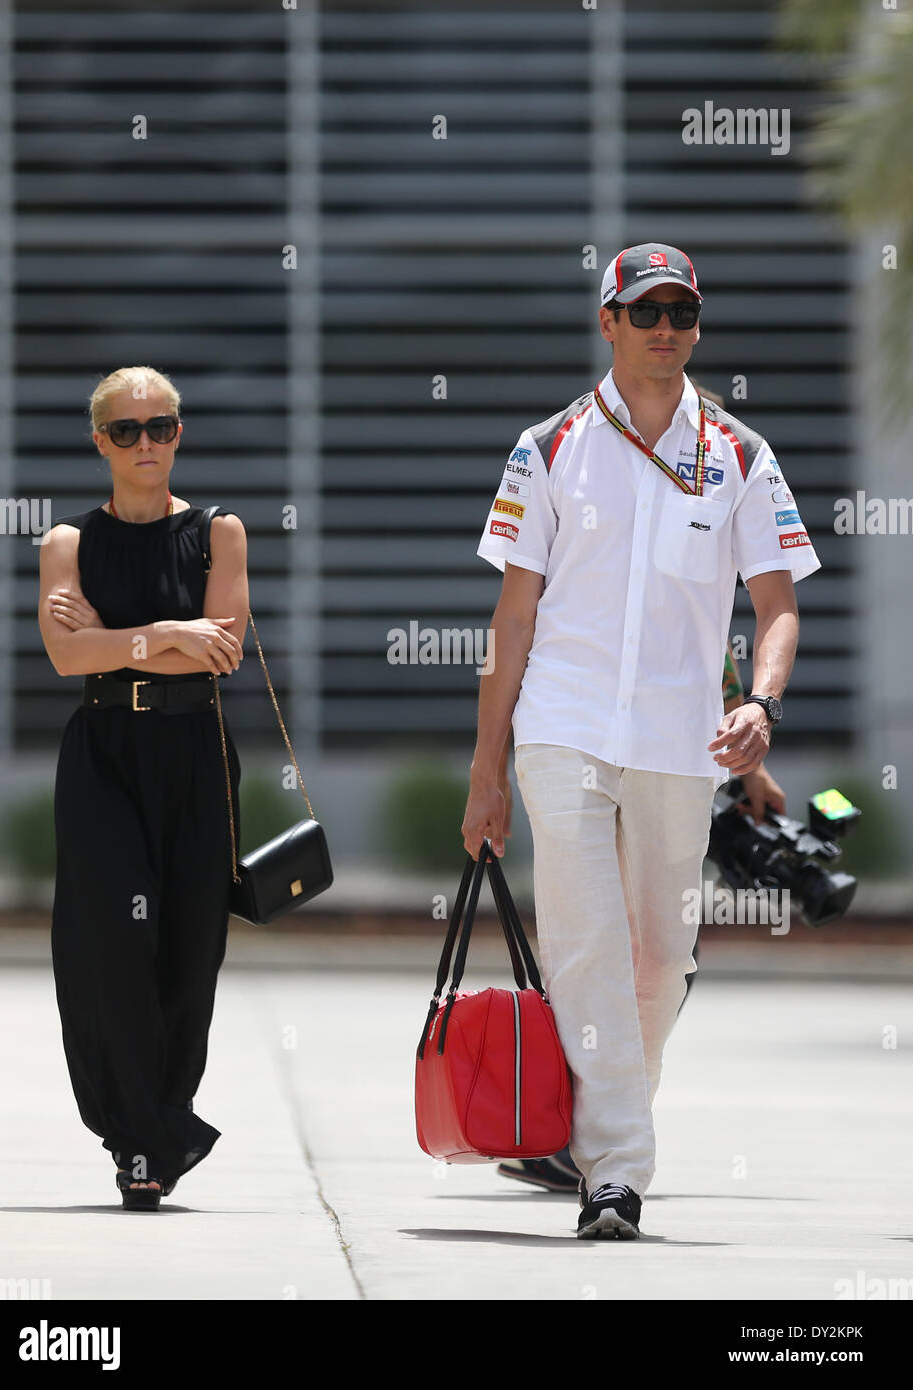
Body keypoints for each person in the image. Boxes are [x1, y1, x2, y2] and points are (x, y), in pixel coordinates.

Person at [462, 244, 820, 1239]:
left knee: (660, 959)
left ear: (695, 325)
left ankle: (584, 1131)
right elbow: (512, 622)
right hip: (560, 727)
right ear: (607, 321)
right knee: (586, 945)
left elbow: (775, 605)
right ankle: (613, 1174)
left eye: (681, 311)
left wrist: (761, 702)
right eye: (644, 309)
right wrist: (485, 769)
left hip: (680, 742)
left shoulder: (741, 455)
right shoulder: (547, 447)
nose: (665, 327)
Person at [38, 365, 249, 1210]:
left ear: (178, 433)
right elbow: (65, 658)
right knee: (110, 947)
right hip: (104, 758)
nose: (145, 444)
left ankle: (167, 1118)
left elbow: (223, 649)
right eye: (126, 431)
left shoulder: (219, 533)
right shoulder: (66, 543)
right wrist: (166, 632)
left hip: (196, 752)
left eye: (160, 427)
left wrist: (116, 638)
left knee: (190, 949)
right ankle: (136, 1140)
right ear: (101, 443)